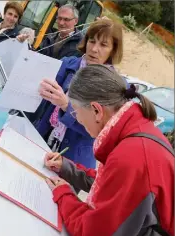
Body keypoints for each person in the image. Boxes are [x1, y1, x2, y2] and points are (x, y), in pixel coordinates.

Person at [44, 64, 174, 236]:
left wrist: (64, 195)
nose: (78, 119)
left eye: (76, 113)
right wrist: (66, 167)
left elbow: (93, 231)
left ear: (97, 110)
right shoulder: (136, 129)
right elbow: (109, 185)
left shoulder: (131, 157)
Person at [32, 19, 124, 169]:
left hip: (74, 163)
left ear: (113, 50)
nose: (94, 49)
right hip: (42, 139)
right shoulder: (67, 64)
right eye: (92, 41)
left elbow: (100, 130)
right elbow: (38, 93)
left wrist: (66, 105)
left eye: (103, 45)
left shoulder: (115, 86)